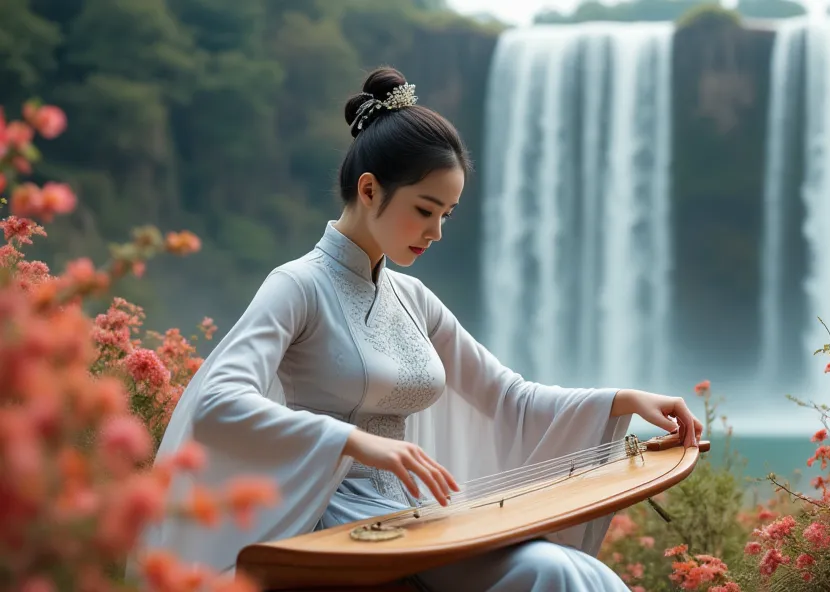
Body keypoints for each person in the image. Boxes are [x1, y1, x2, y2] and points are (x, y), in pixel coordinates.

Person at [136, 66, 704, 591]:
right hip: (338, 521)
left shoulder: (412, 298)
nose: (434, 232)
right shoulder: (299, 285)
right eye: (425, 209)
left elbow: (508, 397)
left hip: (413, 513)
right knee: (549, 572)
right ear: (368, 190)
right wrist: (352, 441)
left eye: (447, 215)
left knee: (581, 572)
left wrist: (626, 401)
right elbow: (217, 400)